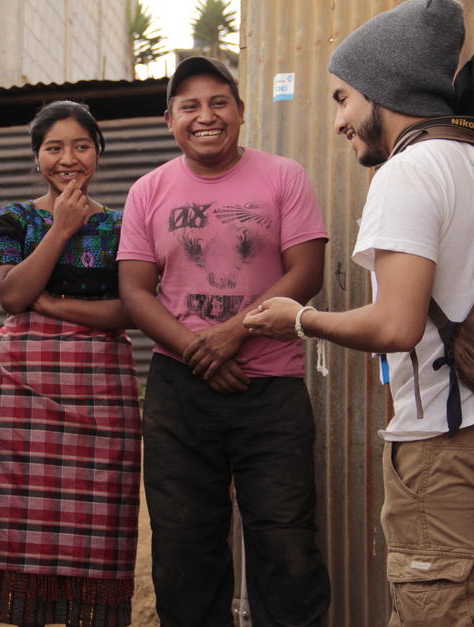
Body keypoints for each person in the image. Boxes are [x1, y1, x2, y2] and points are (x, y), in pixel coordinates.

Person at [242, 1, 474, 625]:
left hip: (444, 441)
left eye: (343, 98)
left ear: (385, 89)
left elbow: (396, 325)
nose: (339, 121)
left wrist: (297, 320)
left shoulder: (409, 172)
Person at [118, 56, 331, 626]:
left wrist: (234, 334)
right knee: (184, 549)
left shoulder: (285, 176)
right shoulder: (148, 191)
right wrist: (196, 351)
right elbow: (136, 292)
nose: (205, 116)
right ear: (170, 120)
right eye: (190, 106)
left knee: (286, 543)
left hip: (272, 389)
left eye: (218, 103)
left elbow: (306, 270)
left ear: (240, 112)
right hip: (178, 393)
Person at [0, 100, 141, 627]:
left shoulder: (124, 224)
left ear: (98, 153)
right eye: (53, 147)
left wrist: (50, 304)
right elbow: (11, 294)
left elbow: (131, 307)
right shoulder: (15, 217)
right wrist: (60, 229)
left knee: (102, 510)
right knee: (20, 511)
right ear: (37, 156)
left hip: (101, 387)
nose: (67, 158)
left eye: (80, 145)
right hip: (25, 385)